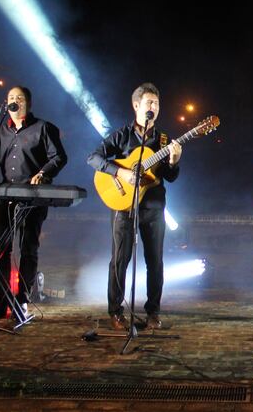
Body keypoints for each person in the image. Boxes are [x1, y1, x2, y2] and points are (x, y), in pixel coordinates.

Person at [0, 86, 67, 320]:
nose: (14, 101)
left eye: (19, 98)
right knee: (0, 251)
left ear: (28, 103)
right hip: (5, 196)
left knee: (28, 249)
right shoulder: (3, 130)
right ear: (6, 103)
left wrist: (44, 173)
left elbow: (59, 157)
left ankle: (23, 301)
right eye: (11, 98)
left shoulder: (43, 128)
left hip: (33, 198)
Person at [87, 82, 182, 331]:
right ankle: (116, 311)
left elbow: (171, 177)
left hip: (153, 206)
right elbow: (93, 158)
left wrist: (173, 161)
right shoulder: (121, 135)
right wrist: (121, 173)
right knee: (120, 259)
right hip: (123, 205)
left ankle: (153, 312)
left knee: (155, 260)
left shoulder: (164, 140)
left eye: (157, 103)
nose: (154, 107)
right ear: (136, 105)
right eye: (149, 103)